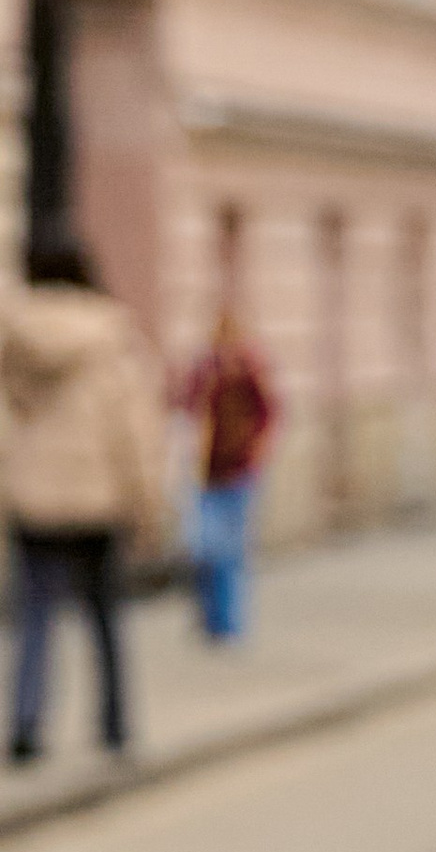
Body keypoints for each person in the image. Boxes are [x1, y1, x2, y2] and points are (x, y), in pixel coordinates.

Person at [4, 241, 168, 763]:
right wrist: (147, 506)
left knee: (35, 617)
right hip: (98, 501)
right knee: (104, 620)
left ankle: (26, 725)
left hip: (35, 502)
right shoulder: (111, 336)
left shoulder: (16, 338)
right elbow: (133, 432)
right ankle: (115, 726)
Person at [180, 305, 278, 641]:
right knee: (204, 548)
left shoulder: (251, 370)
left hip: (239, 470)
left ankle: (230, 624)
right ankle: (211, 618)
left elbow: (269, 413)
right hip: (206, 471)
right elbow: (187, 408)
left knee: (231, 551)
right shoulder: (205, 371)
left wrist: (257, 453)